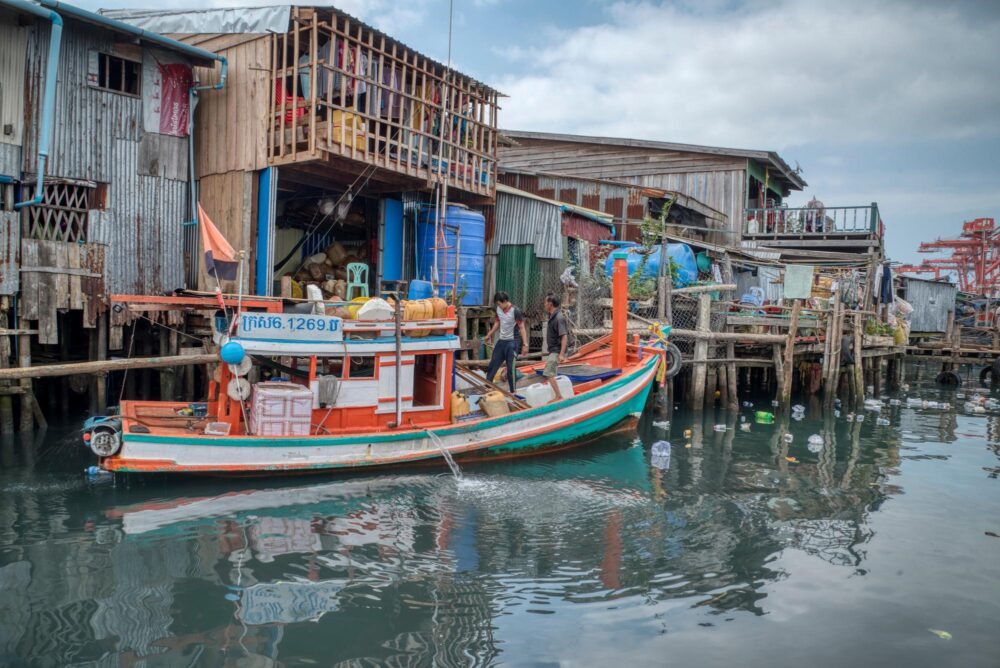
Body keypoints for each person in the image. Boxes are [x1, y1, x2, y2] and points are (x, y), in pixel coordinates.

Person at [484, 292, 528, 393]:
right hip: (501, 342)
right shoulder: (499, 309)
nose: (498, 306)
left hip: (512, 343)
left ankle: (513, 392)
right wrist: (488, 335)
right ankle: (487, 388)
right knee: (492, 365)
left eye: (499, 304)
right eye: (497, 304)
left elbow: (522, 328)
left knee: (510, 370)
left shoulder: (515, 311)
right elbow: (497, 322)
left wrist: (525, 344)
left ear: (505, 301)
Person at [543, 293, 569, 399]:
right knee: (551, 373)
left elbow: (564, 336)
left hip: (556, 351)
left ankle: (558, 396)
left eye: (545, 302)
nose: (544, 304)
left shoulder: (558, 318)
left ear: (550, 304)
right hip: (553, 350)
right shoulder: (552, 316)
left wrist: (561, 354)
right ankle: (557, 395)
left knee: (548, 373)